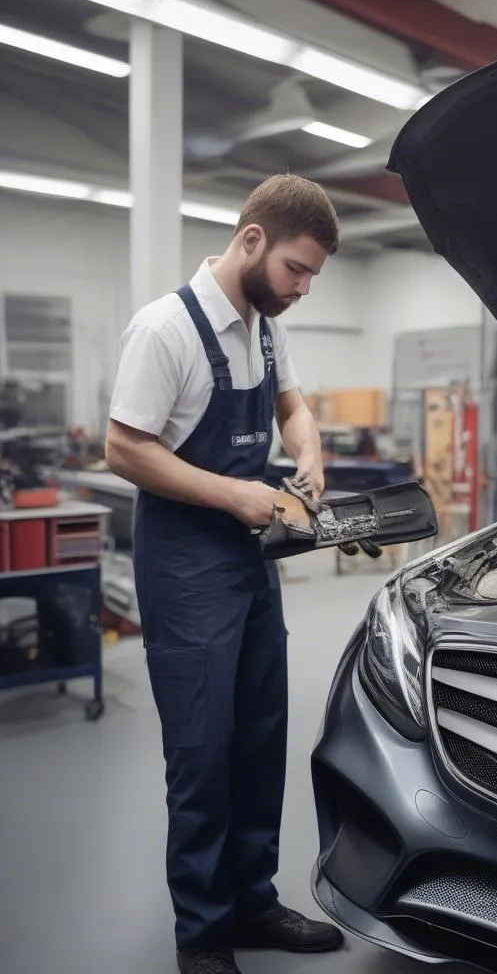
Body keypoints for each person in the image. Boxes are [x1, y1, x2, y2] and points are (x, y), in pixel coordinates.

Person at [106, 174, 350, 974]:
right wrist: (236, 492)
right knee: (203, 752)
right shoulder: (164, 330)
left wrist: (308, 451)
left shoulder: (265, 326)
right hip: (185, 563)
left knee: (257, 736)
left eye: (312, 276)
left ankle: (253, 900)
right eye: (296, 270)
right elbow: (125, 448)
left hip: (248, 559)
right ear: (252, 241)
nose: (303, 289)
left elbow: (291, 405)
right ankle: (203, 934)